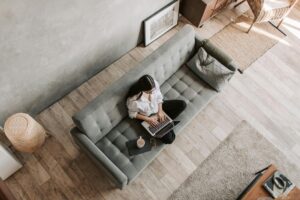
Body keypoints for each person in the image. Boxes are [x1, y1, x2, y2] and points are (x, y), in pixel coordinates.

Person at [126, 74, 186, 144]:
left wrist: (160, 111)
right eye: (149, 92)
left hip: (158, 107)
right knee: (170, 139)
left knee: (182, 104)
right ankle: (163, 124)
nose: (152, 93)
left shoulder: (154, 84)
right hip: (148, 116)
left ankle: (164, 122)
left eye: (153, 90)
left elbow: (159, 97)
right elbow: (131, 114)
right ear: (142, 89)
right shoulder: (133, 101)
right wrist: (148, 119)